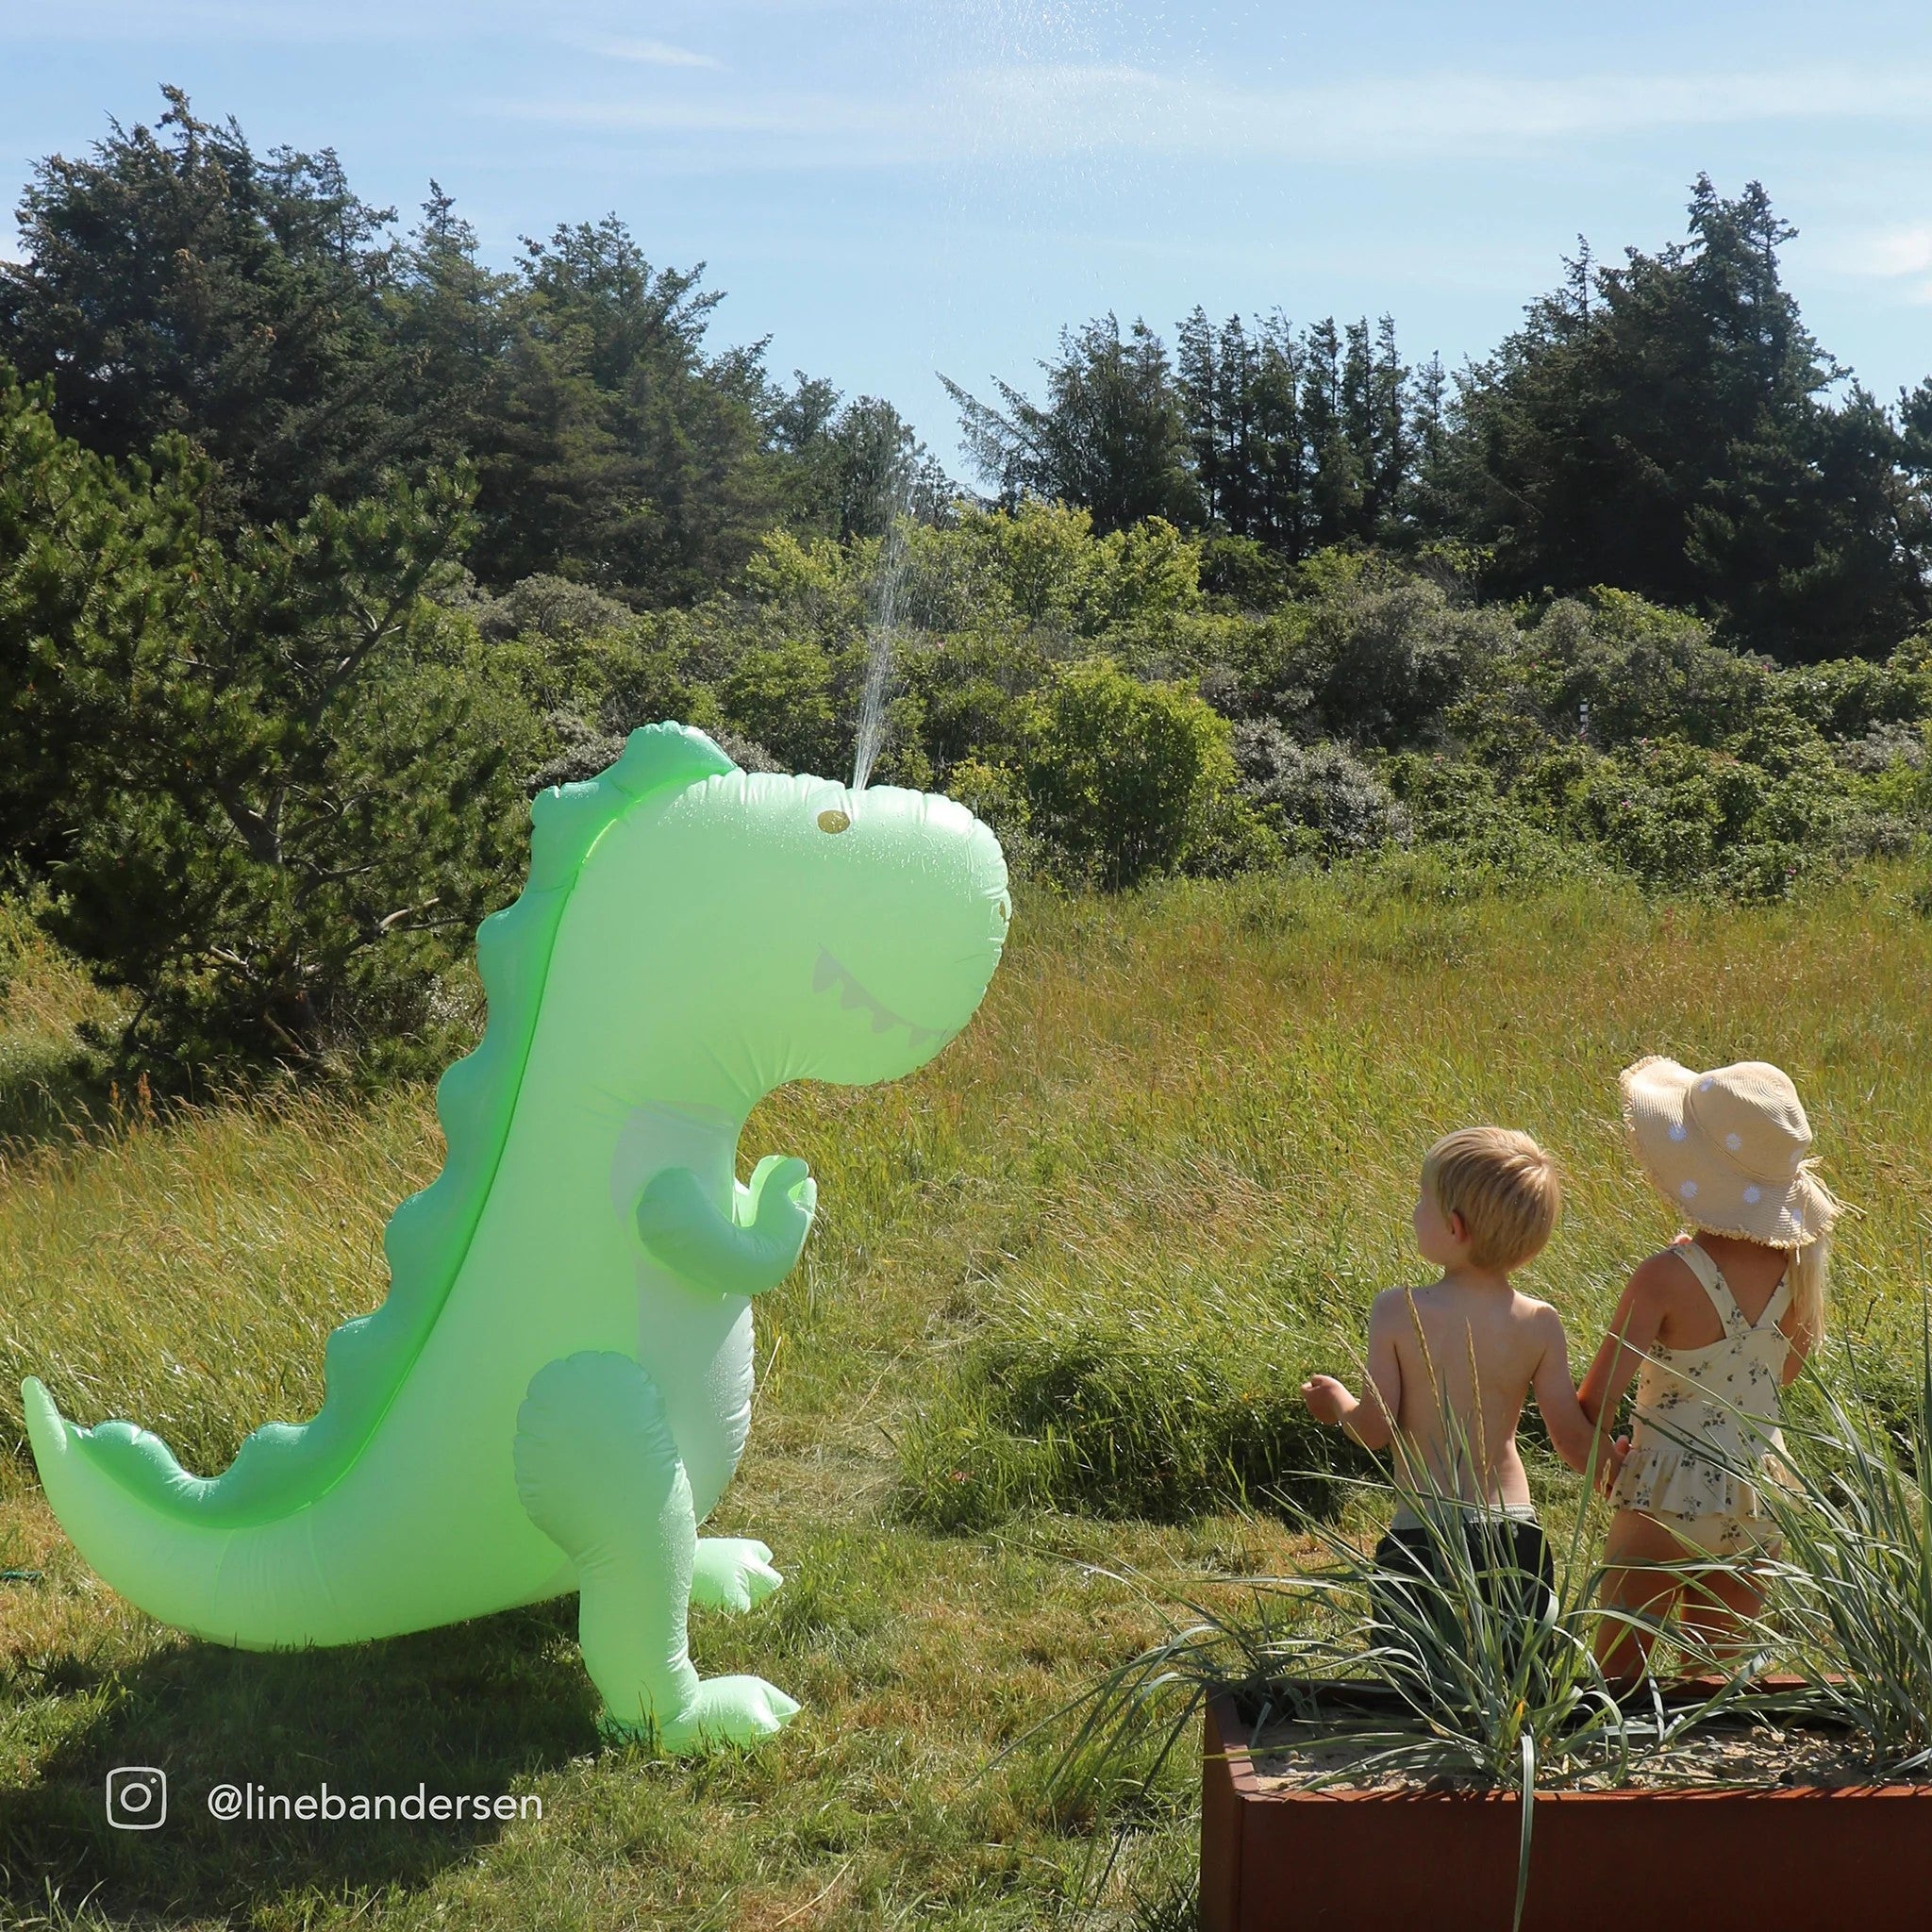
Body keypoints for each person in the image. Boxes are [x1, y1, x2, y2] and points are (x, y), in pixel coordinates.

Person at [1579, 1057, 1840, 1684]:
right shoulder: (1800, 1276)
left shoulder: (1664, 1277)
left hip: (1664, 1489)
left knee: (1616, 1680)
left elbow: (1596, 1398)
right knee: (1711, 1687)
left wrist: (1601, 1456)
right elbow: (1780, 1376)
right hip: (1758, 1489)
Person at [1302, 1127, 1599, 1666]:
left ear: (1454, 1227)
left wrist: (1337, 1404)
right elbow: (1571, 1440)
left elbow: (1375, 1430)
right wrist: (1617, 1461)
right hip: (1514, 1528)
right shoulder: (1540, 1322)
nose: (1415, 1211)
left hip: (1424, 1528)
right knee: (1519, 1678)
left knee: (1416, 1682)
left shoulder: (1398, 1310)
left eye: (1423, 1201)